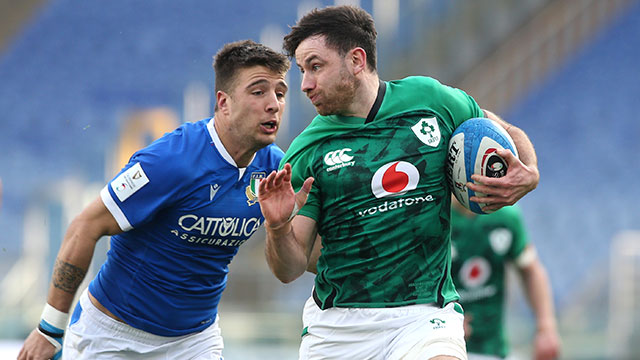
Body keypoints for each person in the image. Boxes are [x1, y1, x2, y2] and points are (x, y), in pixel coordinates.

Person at [257, 5, 540, 360]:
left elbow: (498, 128)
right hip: (340, 326)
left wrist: (529, 169)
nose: (305, 84)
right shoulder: (306, 151)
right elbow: (290, 269)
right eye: (302, 70)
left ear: (357, 60)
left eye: (316, 66)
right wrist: (278, 227)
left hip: (425, 314)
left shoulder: (431, 100)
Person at [18, 39, 290, 360]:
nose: (273, 103)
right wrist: (50, 329)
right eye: (258, 92)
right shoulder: (171, 160)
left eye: (281, 93)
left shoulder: (275, 169)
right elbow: (84, 226)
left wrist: (279, 226)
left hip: (194, 341)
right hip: (114, 336)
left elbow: (287, 271)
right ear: (223, 102)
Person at [450, 198, 560, 360]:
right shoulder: (432, 217)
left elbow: (530, 269)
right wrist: (443, 322)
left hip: (494, 348)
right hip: (443, 347)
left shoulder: (505, 215)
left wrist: (546, 327)